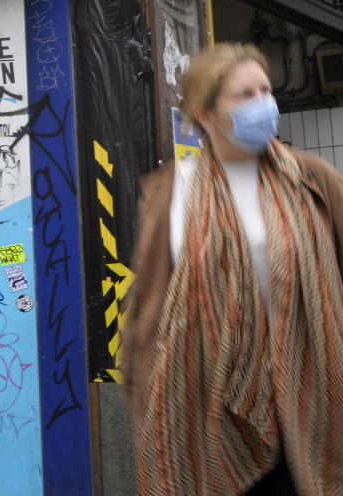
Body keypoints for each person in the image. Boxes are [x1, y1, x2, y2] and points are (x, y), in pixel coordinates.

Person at [121, 42, 343, 496]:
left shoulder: (312, 178)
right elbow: (149, 310)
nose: (264, 103)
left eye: (265, 90)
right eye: (245, 95)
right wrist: (146, 401)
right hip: (207, 412)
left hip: (309, 402)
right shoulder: (171, 193)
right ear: (204, 115)